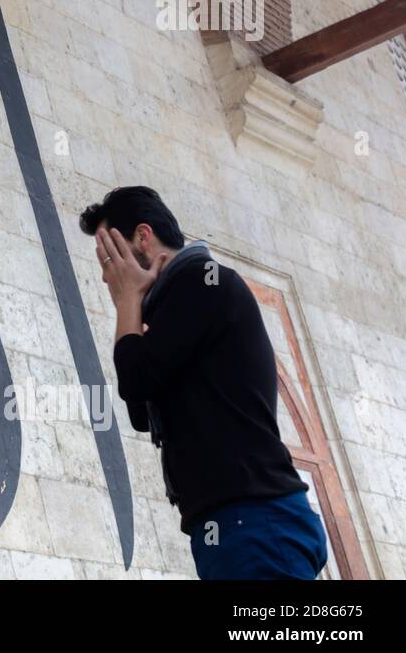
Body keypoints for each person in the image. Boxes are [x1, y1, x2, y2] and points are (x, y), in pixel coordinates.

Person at [79, 186, 327, 580]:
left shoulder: (202, 282)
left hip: (255, 522)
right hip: (235, 526)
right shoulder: (172, 305)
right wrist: (133, 309)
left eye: (112, 254)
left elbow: (136, 380)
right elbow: (142, 412)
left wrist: (127, 301)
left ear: (143, 236)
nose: (108, 272)